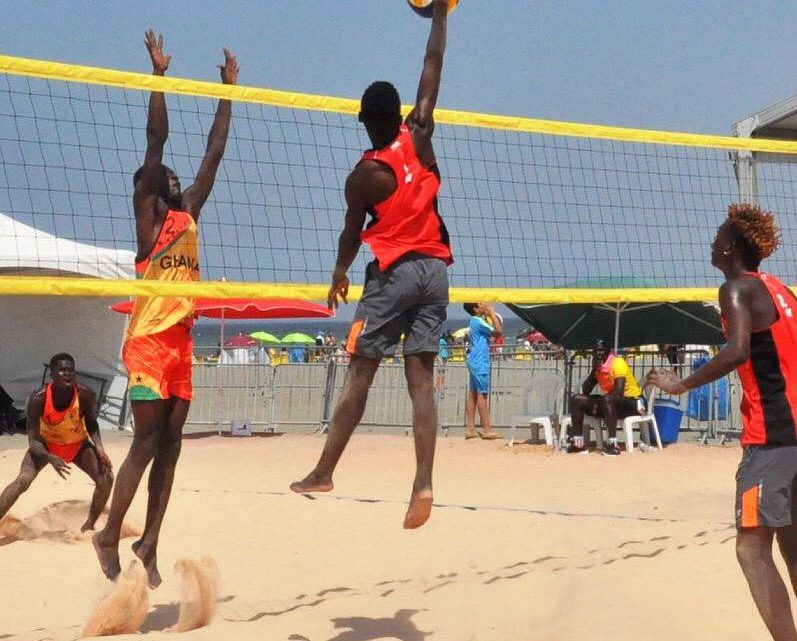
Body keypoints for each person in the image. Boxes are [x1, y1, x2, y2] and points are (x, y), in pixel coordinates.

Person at [290, 0, 453, 530]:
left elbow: (349, 235)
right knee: (421, 383)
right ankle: (423, 482)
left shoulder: (364, 175)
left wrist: (338, 275)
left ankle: (324, 470)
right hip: (436, 273)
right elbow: (432, 67)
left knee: (360, 372)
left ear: (365, 121)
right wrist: (442, 15)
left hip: (395, 274)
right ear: (399, 113)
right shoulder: (420, 133)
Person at [93, 30, 238, 588]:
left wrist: (229, 92)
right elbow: (156, 143)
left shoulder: (190, 213)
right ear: (149, 193)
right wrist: (159, 77)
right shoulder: (149, 224)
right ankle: (110, 532)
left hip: (180, 341)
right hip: (149, 342)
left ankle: (149, 540)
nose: (173, 178)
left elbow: (214, 152)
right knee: (149, 439)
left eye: (175, 179)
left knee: (172, 447)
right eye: (163, 179)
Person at [647, 203, 797, 641]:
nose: (712, 240)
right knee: (791, 548)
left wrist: (681, 384)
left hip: (771, 439)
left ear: (730, 244)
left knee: (751, 548)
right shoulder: (781, 290)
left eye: (718, 234)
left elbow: (737, 350)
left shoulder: (736, 288)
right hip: (794, 435)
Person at [0, 354, 113, 531]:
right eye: (62, 370)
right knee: (22, 481)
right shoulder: (38, 399)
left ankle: (89, 526)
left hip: (77, 445)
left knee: (106, 478)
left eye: (71, 370)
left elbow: (91, 422)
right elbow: (34, 442)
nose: (67, 374)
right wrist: (50, 457)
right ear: (52, 374)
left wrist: (99, 447)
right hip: (46, 446)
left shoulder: (86, 395)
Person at [567, 338, 643, 456]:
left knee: (607, 399)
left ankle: (613, 444)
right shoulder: (599, 367)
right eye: (595, 351)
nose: (598, 353)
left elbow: (619, 391)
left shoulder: (618, 363)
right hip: (610, 404)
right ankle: (578, 443)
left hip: (630, 403)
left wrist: (600, 403)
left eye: (601, 350)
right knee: (577, 399)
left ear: (608, 351)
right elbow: (585, 391)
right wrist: (594, 371)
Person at [463, 302, 503, 439]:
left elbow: (491, 334)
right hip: (480, 361)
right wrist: (492, 312)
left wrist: (488, 315)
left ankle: (470, 429)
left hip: (474, 359)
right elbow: (498, 332)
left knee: (473, 393)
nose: (484, 304)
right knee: (482, 394)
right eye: (481, 304)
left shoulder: (476, 321)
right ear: (475, 308)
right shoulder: (478, 321)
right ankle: (486, 429)